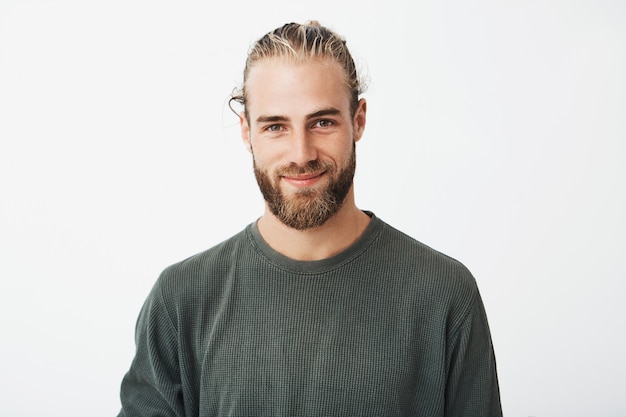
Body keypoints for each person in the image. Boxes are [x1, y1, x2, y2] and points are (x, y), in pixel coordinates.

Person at [117, 21, 502, 417]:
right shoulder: (181, 299)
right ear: (247, 131)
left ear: (359, 120)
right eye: (275, 126)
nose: (301, 153)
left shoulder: (443, 295)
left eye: (322, 122)